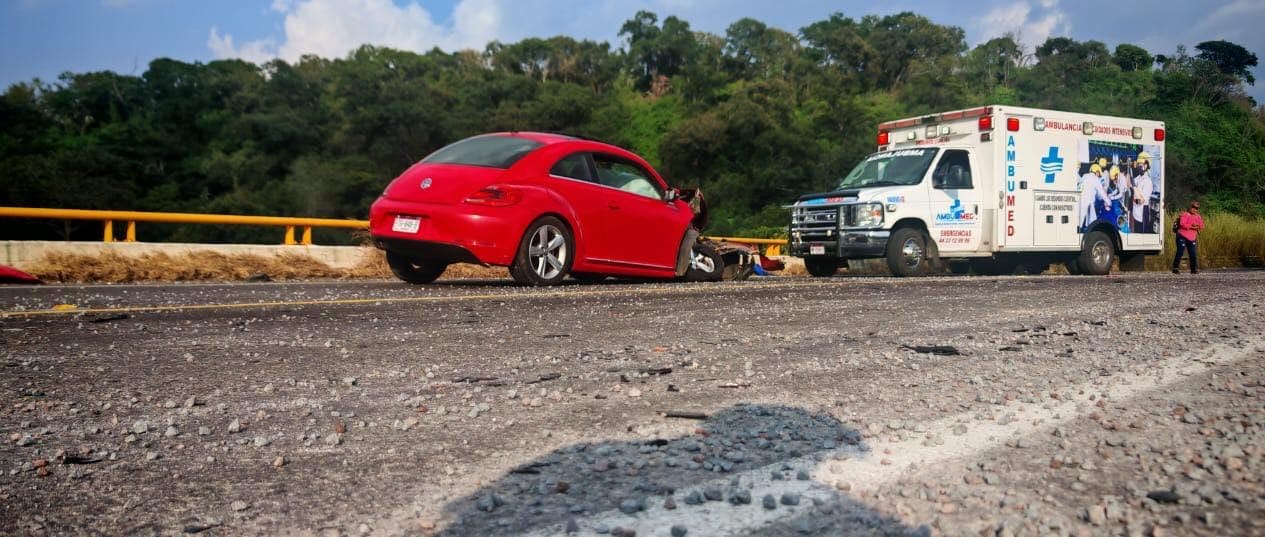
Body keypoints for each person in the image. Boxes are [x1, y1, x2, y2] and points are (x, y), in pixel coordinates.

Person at [1171, 201, 1205, 274]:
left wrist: (1192, 226)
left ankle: (1193, 269)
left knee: (1193, 253)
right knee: (1180, 252)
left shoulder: (1198, 216)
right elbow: (1182, 224)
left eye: (1196, 208)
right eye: (1193, 207)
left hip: (1192, 238)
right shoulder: (1185, 214)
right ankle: (1175, 268)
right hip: (1181, 235)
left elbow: (1202, 226)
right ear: (1190, 207)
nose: (1194, 209)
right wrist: (1193, 226)